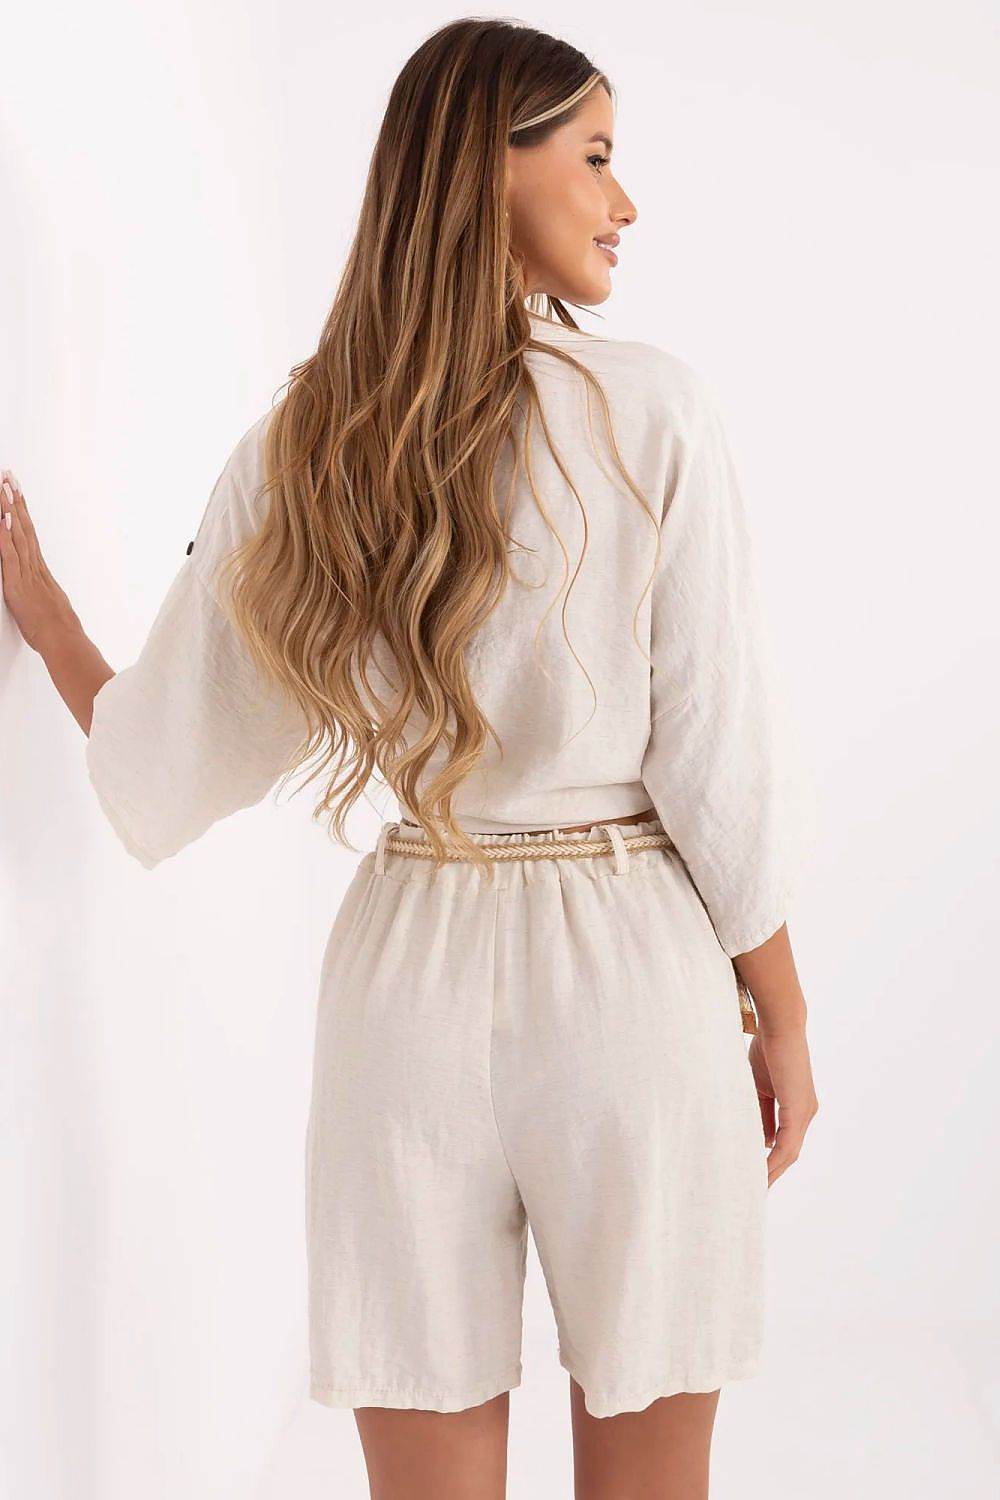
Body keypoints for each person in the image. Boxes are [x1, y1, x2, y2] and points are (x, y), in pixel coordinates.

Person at [0, 18, 821, 1499]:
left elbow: (165, 753)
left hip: (407, 983)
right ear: (490, 168)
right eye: (596, 158)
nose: (624, 202)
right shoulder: (652, 413)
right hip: (631, 977)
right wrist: (785, 1014)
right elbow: (714, 761)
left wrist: (45, 610)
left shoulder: (312, 447)